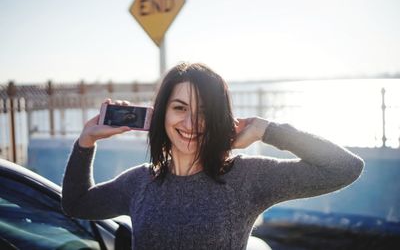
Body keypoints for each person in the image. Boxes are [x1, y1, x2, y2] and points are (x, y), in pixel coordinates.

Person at [61, 62, 364, 250]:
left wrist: (265, 129)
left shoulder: (246, 178)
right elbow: (76, 204)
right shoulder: (139, 182)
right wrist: (86, 142)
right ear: (161, 114)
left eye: (205, 112)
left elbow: (344, 168)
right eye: (180, 108)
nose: (191, 124)